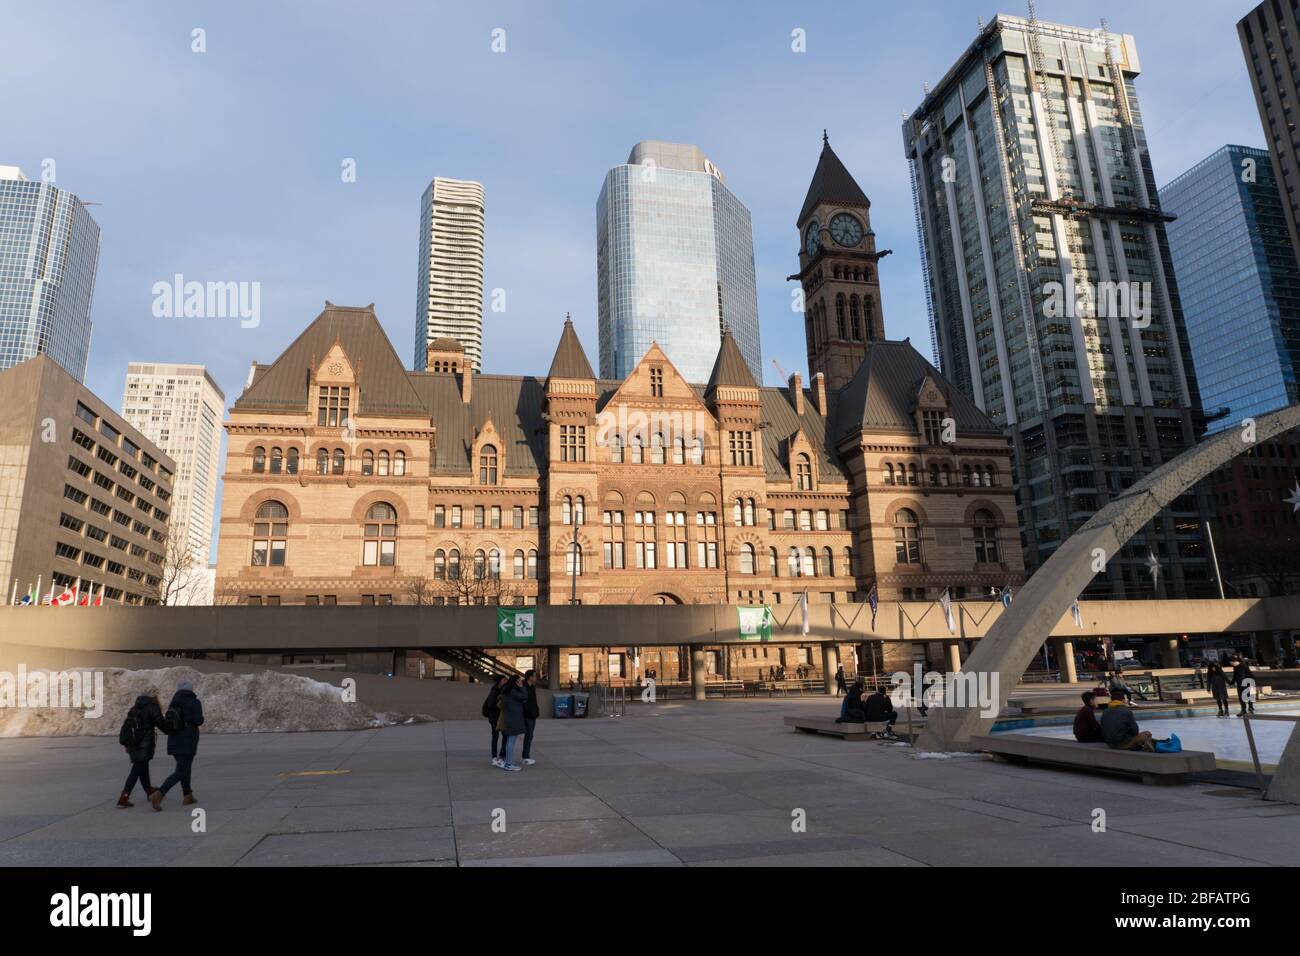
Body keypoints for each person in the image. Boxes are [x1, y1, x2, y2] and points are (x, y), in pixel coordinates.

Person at [149, 678, 205, 810]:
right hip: (188, 740)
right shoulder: (194, 702)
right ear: (191, 689)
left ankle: (188, 795)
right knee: (182, 770)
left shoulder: (173, 704)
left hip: (174, 741)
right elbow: (198, 720)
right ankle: (159, 794)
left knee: (184, 767)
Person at [117, 692, 163, 808]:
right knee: (137, 770)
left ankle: (149, 791)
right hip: (144, 744)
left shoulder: (135, 708)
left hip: (133, 743)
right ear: (154, 699)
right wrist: (172, 729)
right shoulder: (152, 707)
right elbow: (161, 723)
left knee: (143, 767)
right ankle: (124, 796)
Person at [495, 675, 528, 771]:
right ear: (515, 682)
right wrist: (522, 687)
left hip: (510, 719)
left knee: (510, 741)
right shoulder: (512, 692)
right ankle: (508, 764)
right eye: (519, 681)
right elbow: (525, 696)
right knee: (511, 741)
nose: (520, 683)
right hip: (513, 719)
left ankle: (508, 761)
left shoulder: (507, 691)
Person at [483, 675, 509, 766]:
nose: (506, 681)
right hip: (494, 718)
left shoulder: (503, 689)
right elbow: (490, 705)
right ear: (500, 681)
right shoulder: (494, 691)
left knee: (505, 736)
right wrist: (500, 706)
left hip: (501, 718)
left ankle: (502, 756)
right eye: (504, 680)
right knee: (495, 737)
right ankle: (494, 757)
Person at [521, 669, 540, 765]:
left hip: (533, 715)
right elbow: (524, 703)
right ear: (530, 677)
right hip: (527, 715)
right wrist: (530, 712)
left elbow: (534, 701)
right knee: (528, 735)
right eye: (535, 676)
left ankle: (526, 755)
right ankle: (525, 757)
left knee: (530, 736)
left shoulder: (533, 687)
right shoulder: (524, 687)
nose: (536, 678)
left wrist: (536, 711)